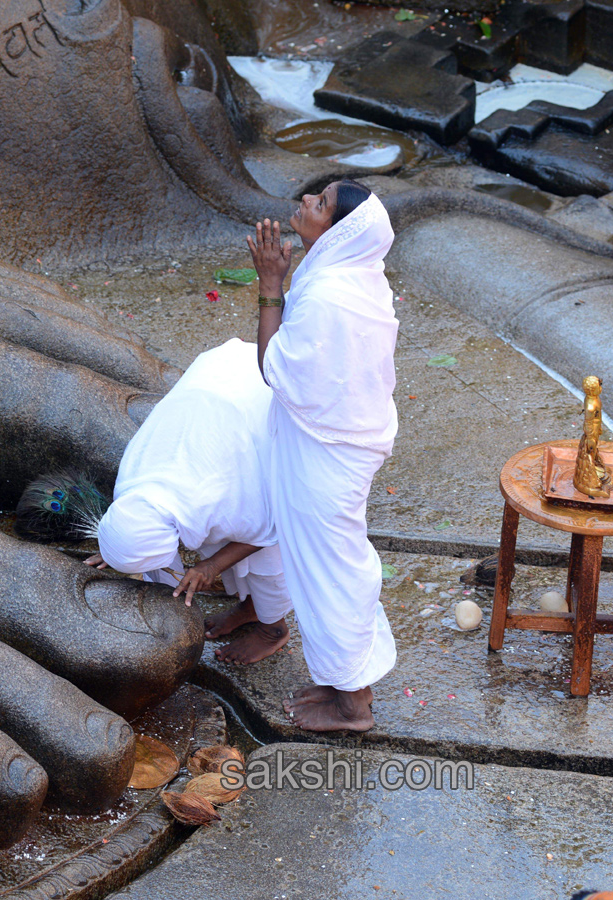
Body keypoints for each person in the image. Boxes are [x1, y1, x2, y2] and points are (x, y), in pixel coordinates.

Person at [248, 179, 399, 732]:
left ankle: (354, 706)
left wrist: (269, 284)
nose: (309, 200)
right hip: (339, 443)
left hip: (330, 454)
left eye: (322, 203)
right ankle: (340, 681)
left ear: (338, 231)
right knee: (325, 568)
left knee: (330, 573)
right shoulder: (353, 277)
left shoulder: (333, 294)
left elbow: (273, 366)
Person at [84, 338, 293, 665]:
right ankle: (251, 606)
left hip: (254, 391)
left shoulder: (219, 494)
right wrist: (118, 546)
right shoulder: (131, 487)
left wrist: (210, 567)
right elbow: (135, 524)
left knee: (267, 561)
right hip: (213, 390)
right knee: (217, 536)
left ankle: (273, 629)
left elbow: (268, 532)